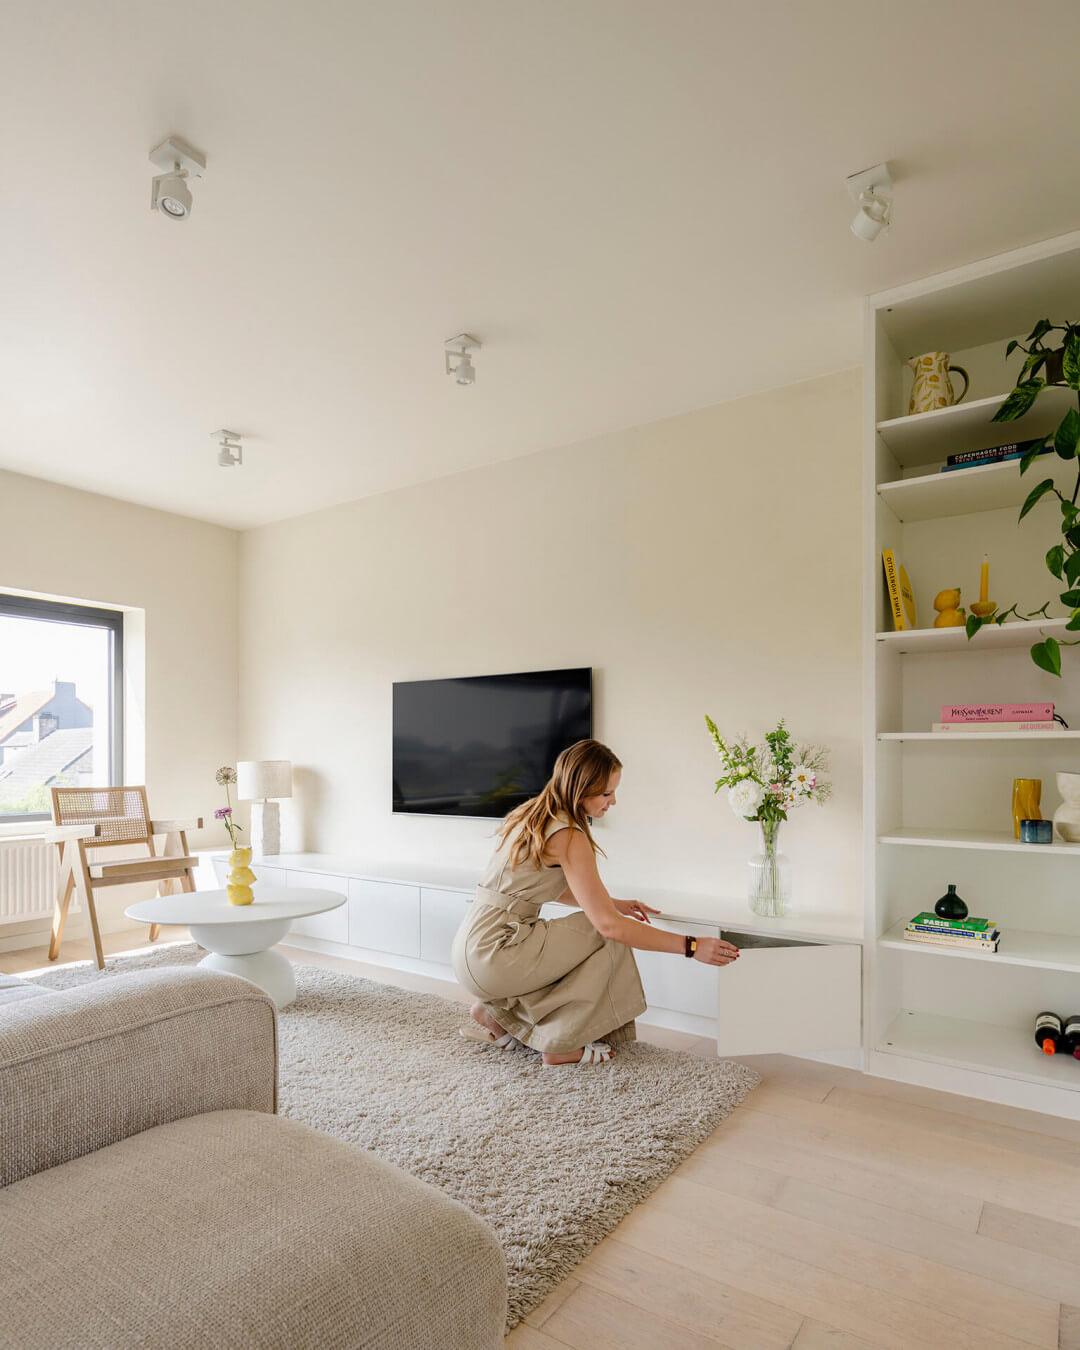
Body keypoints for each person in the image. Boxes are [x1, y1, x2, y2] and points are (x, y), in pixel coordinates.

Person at [451, 738, 740, 1066]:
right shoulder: (568, 835)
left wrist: (611, 902)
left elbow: (541, 886)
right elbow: (609, 927)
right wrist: (692, 946)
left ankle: (494, 1013)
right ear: (580, 789)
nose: (613, 801)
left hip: (471, 950)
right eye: (606, 793)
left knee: (587, 928)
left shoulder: (530, 815)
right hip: (498, 956)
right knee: (606, 934)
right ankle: (560, 1045)